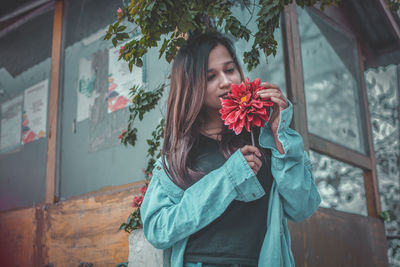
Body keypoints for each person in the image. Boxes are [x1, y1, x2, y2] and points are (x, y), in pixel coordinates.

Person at [140, 31, 321, 267]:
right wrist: (228, 179)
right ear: (191, 85)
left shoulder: (263, 139)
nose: (225, 82)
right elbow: (158, 229)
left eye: (229, 69)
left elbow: (303, 207)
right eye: (210, 76)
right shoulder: (178, 156)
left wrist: (280, 132)